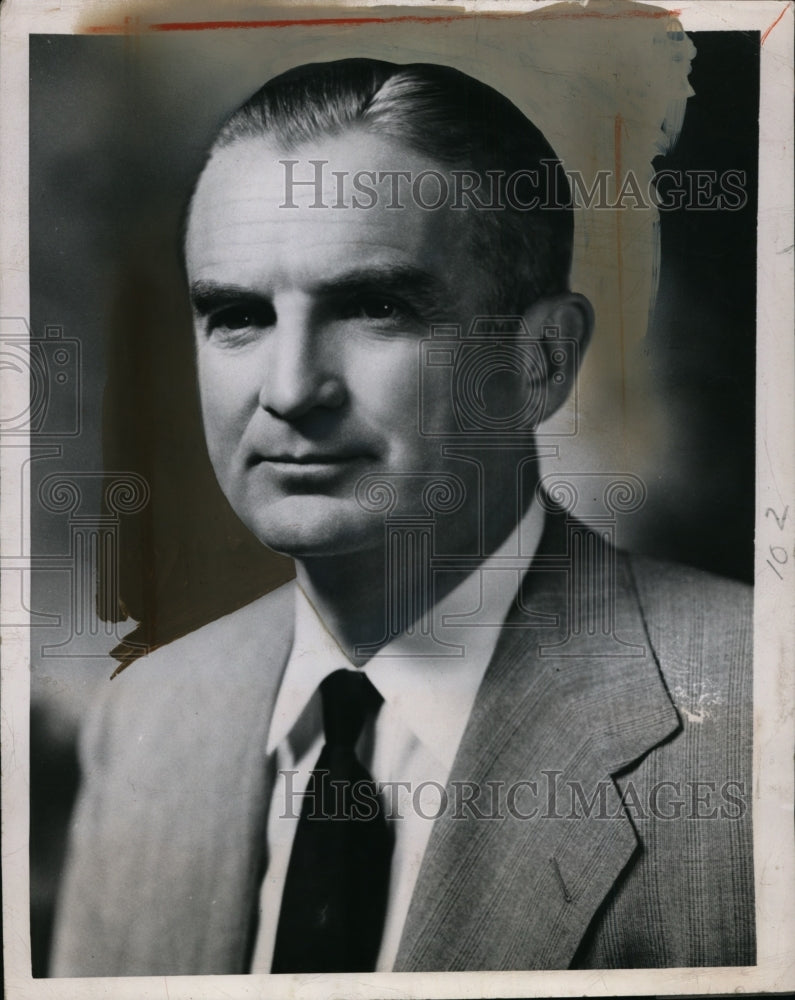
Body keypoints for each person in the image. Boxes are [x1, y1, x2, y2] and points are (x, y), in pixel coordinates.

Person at [49, 59, 754, 976]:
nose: (291, 390)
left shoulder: (758, 716)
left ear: (538, 361)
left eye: (374, 306)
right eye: (236, 315)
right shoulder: (146, 716)